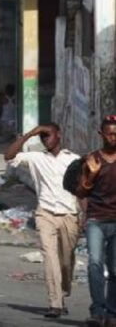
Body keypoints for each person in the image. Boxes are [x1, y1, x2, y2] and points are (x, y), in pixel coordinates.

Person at [4, 123, 80, 319]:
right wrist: (30, 134)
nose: (46, 140)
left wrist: (84, 214)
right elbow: (9, 156)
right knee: (50, 257)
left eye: (48, 135)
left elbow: (82, 188)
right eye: (43, 137)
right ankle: (55, 303)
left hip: (69, 214)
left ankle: (63, 292)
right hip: (45, 213)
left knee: (66, 261)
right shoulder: (36, 158)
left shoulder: (74, 160)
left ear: (59, 135)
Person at [77, 116, 116, 326]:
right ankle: (97, 311)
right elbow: (81, 192)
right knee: (94, 264)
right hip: (96, 219)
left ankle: (112, 313)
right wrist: (91, 176)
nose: (113, 137)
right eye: (109, 133)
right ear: (101, 135)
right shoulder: (92, 159)